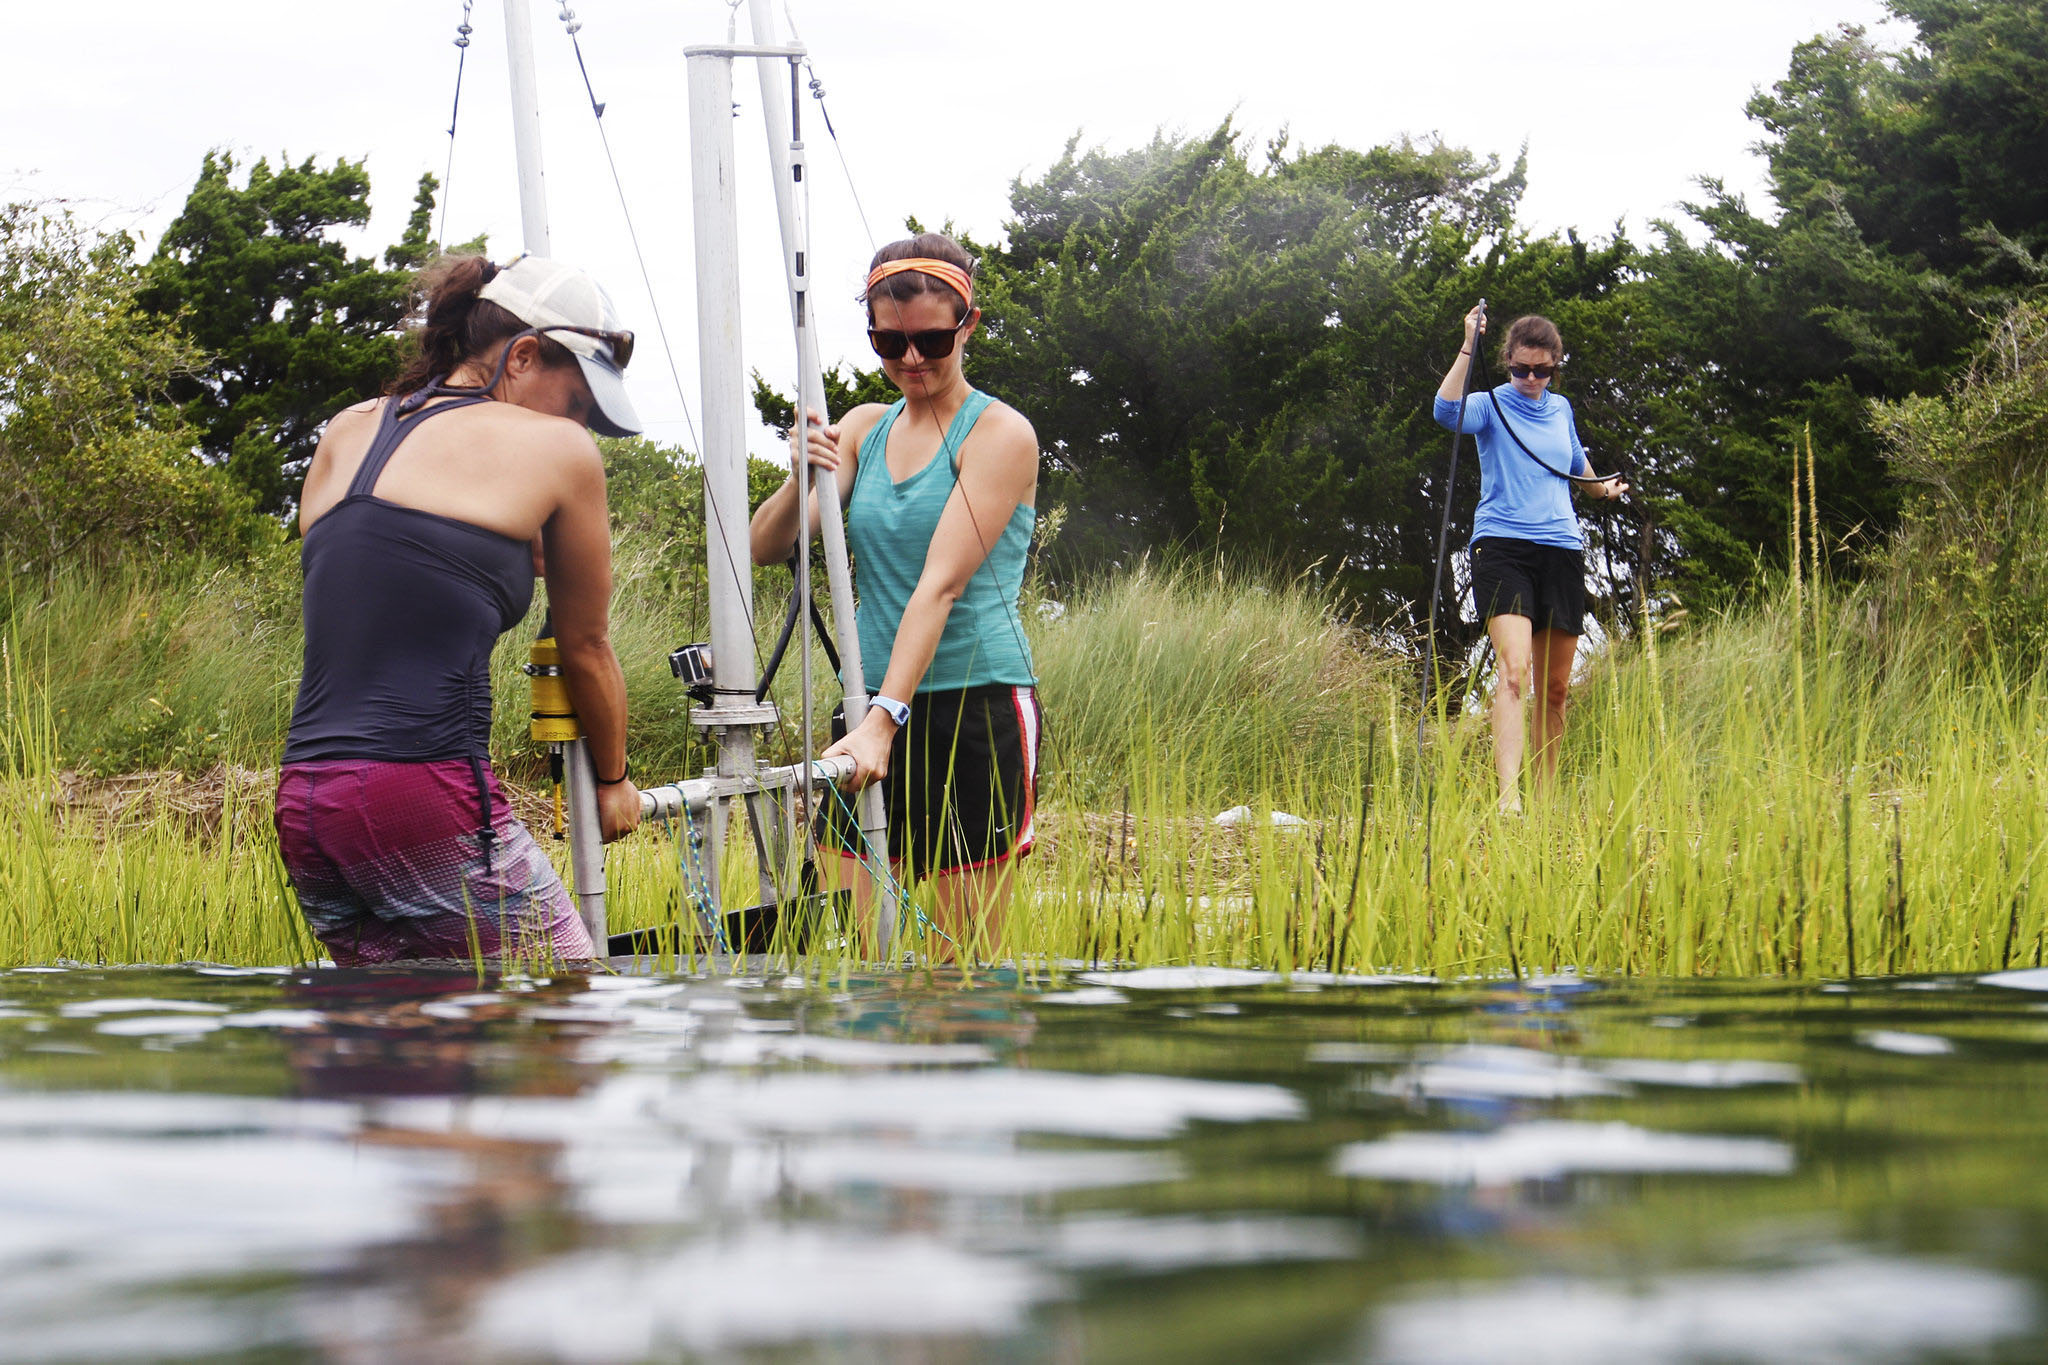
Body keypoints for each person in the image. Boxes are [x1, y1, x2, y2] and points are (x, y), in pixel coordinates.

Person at [276, 254, 643, 965]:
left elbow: (376, 564)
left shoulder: (346, 429)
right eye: (576, 404)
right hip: (421, 789)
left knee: (396, 1048)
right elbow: (586, 644)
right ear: (523, 355)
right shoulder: (559, 451)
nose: (581, 427)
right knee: (564, 1004)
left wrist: (505, 553)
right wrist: (614, 779)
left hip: (308, 802)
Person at [748, 232, 1043, 953]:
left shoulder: (1001, 434)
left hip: (970, 705)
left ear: (968, 324)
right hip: (869, 707)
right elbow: (768, 546)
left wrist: (886, 717)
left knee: (957, 968)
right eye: (889, 341)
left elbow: (940, 584)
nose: (911, 359)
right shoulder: (863, 429)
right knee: (852, 951)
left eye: (931, 341)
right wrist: (799, 475)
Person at [1433, 307, 1627, 813]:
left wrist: (1602, 489)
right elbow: (1445, 411)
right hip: (1502, 547)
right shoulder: (1491, 405)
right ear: (1507, 363)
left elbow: (1576, 466)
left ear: (1555, 366)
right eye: (1521, 369)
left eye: (1542, 370)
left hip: (1561, 549)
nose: (1532, 379)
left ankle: (1542, 804)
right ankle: (1507, 800)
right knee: (1515, 671)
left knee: (1556, 689)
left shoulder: (1561, 410)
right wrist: (1467, 343)